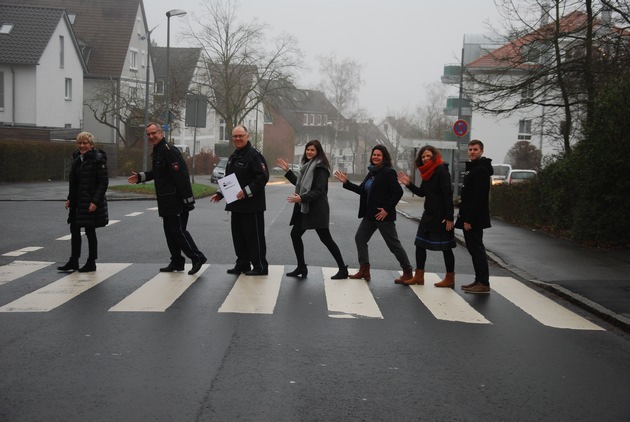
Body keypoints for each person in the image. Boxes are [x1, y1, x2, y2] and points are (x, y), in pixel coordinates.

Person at [127, 122, 206, 275]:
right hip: (165, 200)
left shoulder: (169, 150)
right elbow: (156, 172)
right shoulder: (158, 151)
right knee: (169, 232)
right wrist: (140, 177)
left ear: (161, 133)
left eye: (153, 133)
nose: (151, 136)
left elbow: (181, 176)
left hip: (176, 200)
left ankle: (197, 257)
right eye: (148, 134)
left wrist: (187, 200)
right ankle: (177, 261)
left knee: (178, 231)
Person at [334, 145, 413, 283]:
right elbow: (361, 190)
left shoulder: (388, 172)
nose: (375, 157)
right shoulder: (372, 172)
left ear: (384, 157)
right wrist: (346, 183)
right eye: (374, 154)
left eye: (378, 155)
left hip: (383, 216)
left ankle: (407, 271)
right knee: (360, 238)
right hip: (370, 215)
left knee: (393, 245)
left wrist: (387, 209)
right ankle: (364, 270)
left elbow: (398, 192)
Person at [276, 140, 348, 280]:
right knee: (295, 234)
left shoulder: (320, 168)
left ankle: (342, 269)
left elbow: (318, 191)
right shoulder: (308, 166)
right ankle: (301, 266)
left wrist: (301, 198)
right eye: (308, 149)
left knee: (326, 239)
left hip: (317, 209)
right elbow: (301, 184)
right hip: (306, 208)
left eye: (312, 150)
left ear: (318, 152)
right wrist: (288, 171)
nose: (309, 152)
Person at [211, 125, 269, 276]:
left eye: (240, 136)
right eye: (235, 136)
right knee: (239, 237)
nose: (237, 139)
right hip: (236, 205)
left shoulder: (254, 155)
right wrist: (220, 193)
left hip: (252, 205)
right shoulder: (234, 156)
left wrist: (246, 191)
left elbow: (262, 177)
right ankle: (242, 264)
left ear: (247, 136)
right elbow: (229, 179)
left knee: (254, 237)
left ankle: (260, 266)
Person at [396, 145, 456, 287]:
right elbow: (422, 192)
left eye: (428, 155)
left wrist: (449, 217)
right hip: (428, 215)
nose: (425, 158)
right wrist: (408, 184)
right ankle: (419, 276)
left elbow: (448, 194)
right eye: (423, 156)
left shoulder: (441, 170)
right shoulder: (427, 173)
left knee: (446, 247)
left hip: (441, 216)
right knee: (420, 244)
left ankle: (450, 278)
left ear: (434, 156)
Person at [58, 132, 109, 273]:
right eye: (80, 143)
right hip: (78, 202)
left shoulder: (98, 160)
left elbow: (103, 183)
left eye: (85, 143)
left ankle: (91, 262)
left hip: (90, 202)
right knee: (74, 229)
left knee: (90, 231)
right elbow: (74, 182)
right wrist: (70, 198)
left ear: (91, 145)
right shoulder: (77, 158)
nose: (82, 145)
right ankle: (74, 261)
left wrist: (95, 201)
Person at [456, 139, 494, 294]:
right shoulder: (474, 168)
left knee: (477, 249)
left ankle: (483, 283)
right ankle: (478, 280)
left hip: (474, 219)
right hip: (469, 217)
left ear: (482, 151)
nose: (472, 152)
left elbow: (478, 198)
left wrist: (469, 219)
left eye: (475, 150)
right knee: (473, 249)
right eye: (470, 149)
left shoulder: (481, 170)